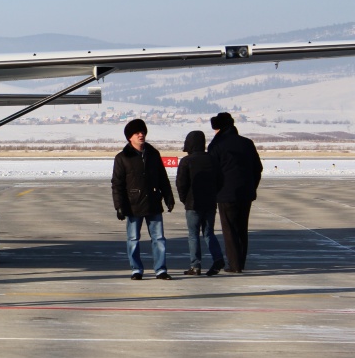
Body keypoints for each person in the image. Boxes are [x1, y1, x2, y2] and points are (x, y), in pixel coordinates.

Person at [111, 119, 176, 280]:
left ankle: (160, 269)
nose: (141, 135)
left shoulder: (153, 154)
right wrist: (119, 206)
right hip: (133, 205)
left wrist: (168, 196)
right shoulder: (122, 157)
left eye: (143, 132)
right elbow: (117, 184)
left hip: (153, 202)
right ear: (129, 137)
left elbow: (162, 177)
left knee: (159, 238)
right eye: (137, 133)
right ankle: (136, 269)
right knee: (133, 239)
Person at [207, 112, 263, 273]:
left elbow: (212, 171)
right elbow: (257, 168)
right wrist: (252, 186)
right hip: (246, 193)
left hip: (226, 194)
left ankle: (234, 264)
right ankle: (241, 262)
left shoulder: (216, 146)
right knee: (241, 228)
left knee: (229, 229)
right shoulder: (247, 143)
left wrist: (215, 190)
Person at [176, 130, 225, 276]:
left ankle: (195, 265)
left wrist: (184, 199)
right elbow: (220, 180)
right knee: (209, 233)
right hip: (210, 202)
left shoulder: (187, 161)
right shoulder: (212, 159)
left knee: (193, 235)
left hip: (193, 203)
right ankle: (218, 258)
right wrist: (213, 195)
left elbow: (181, 183)